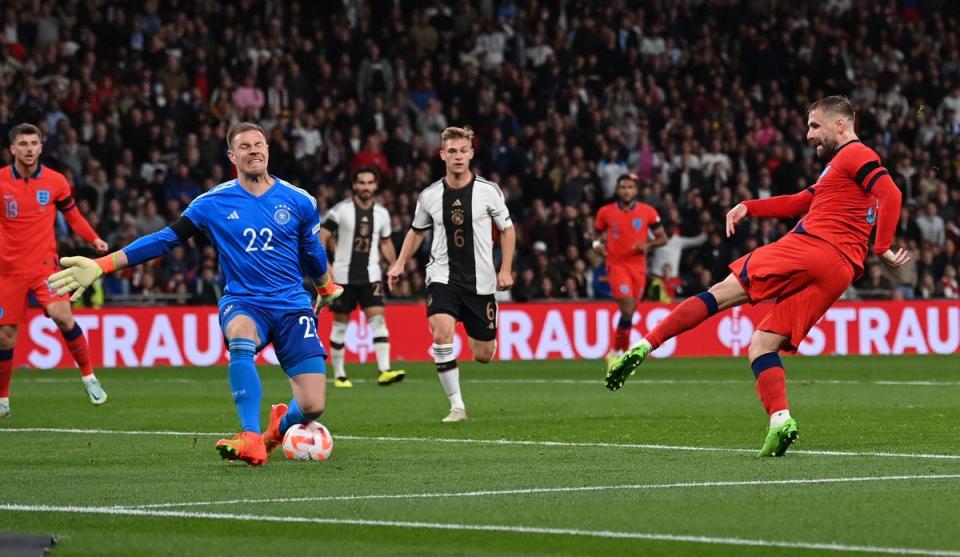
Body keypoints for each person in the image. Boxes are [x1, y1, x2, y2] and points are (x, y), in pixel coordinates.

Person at [605, 96, 909, 457]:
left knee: (720, 292)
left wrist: (883, 246)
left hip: (811, 247)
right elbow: (799, 202)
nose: (808, 134)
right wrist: (750, 207)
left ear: (840, 125)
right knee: (761, 345)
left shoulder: (854, 154)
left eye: (815, 126)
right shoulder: (838, 170)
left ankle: (644, 344)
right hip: (840, 271)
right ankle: (781, 420)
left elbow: (890, 192)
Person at [49, 122, 343, 466]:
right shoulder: (212, 203)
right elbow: (164, 239)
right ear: (232, 156)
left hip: (292, 304)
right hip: (245, 301)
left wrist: (325, 286)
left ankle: (277, 428)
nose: (254, 151)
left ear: (268, 150)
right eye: (244, 146)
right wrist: (103, 265)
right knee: (241, 338)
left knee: (312, 406)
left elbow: (311, 251)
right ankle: (249, 435)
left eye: (258, 144)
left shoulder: (299, 201)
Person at [386, 126, 515, 422]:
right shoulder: (430, 195)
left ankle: (481, 337)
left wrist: (505, 268)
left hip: (481, 282)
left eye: (463, 151)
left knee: (483, 354)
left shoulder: (488, 191)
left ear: (471, 153)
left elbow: (507, 230)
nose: (458, 156)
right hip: (442, 276)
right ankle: (457, 406)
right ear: (442, 154)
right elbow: (416, 232)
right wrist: (399, 263)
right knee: (441, 333)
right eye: (452, 151)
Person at [0, 123, 109, 417]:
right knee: (5, 337)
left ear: (41, 147)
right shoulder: (0, 182)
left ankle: (89, 376)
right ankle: (3, 399)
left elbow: (73, 217)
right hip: (8, 270)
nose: (29, 148)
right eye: (22, 143)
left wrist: (93, 238)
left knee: (62, 315)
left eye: (34, 143)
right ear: (12, 149)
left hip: (44, 266)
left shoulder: (55, 181)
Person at [320, 165, 405, 388]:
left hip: (371, 276)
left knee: (378, 321)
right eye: (362, 183)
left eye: (370, 183)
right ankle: (339, 375)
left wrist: (394, 265)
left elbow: (385, 242)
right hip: (342, 277)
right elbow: (322, 237)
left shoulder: (382, 214)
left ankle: (384, 370)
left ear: (376, 186)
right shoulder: (340, 210)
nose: (366, 187)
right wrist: (325, 265)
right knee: (340, 326)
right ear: (354, 185)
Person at [593, 173, 667, 367]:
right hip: (616, 266)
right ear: (617, 190)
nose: (627, 190)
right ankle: (622, 354)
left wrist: (648, 244)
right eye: (623, 187)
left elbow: (663, 238)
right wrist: (596, 245)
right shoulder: (605, 212)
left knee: (630, 312)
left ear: (636, 190)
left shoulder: (648, 211)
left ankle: (615, 352)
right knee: (626, 308)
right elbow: (596, 235)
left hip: (638, 268)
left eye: (630, 187)